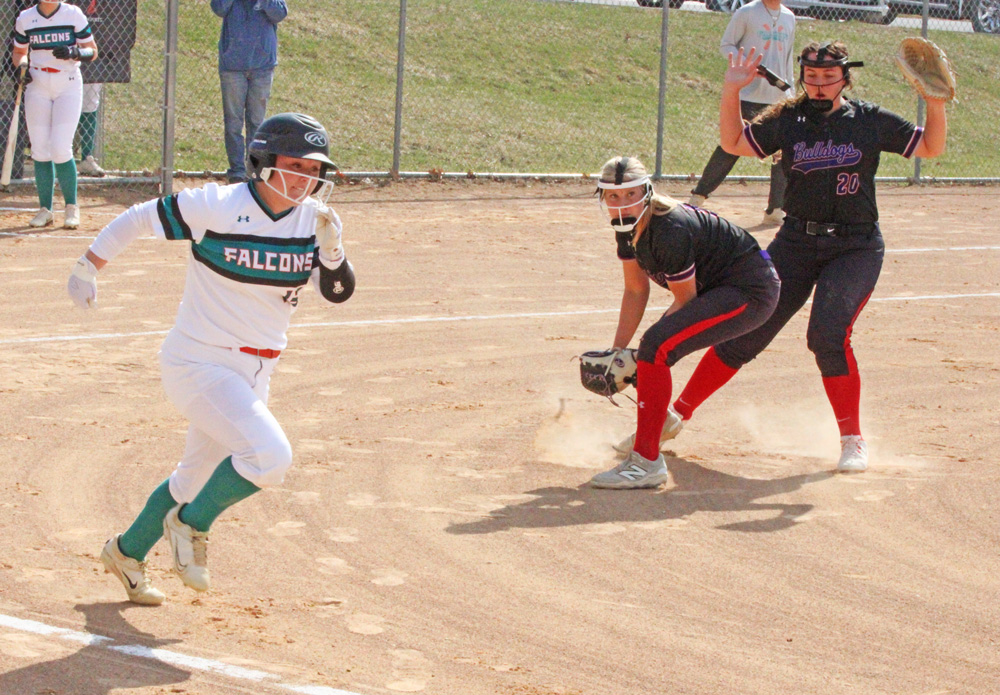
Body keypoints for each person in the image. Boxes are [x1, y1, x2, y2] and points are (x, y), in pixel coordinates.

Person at [67, 113, 355, 604]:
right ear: (262, 163)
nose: (306, 179)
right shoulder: (219, 205)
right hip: (198, 363)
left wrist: (332, 251)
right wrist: (86, 266)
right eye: (294, 165)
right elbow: (139, 216)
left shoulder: (315, 220)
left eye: (314, 169)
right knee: (269, 458)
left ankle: (126, 552)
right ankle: (190, 525)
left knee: (193, 477)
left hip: (254, 372)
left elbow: (338, 293)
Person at [639, 41, 948, 474]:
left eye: (829, 76)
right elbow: (733, 141)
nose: (820, 85)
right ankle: (678, 414)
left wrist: (935, 103)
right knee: (745, 332)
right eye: (812, 76)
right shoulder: (789, 119)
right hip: (795, 243)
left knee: (827, 335)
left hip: (855, 247)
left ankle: (852, 439)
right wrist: (731, 91)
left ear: (846, 76)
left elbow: (930, 147)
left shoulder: (870, 121)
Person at [589, 156, 781, 489]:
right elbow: (636, 290)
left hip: (750, 291)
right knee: (651, 349)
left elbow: (685, 300)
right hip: (722, 289)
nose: (622, 204)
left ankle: (646, 462)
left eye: (630, 194)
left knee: (655, 348)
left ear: (647, 192)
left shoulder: (669, 230)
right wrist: (619, 351)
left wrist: (641, 356)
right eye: (613, 196)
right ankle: (656, 426)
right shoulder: (627, 229)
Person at [687, 0, 795, 226]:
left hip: (777, 98)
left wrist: (790, 92)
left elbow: (788, 60)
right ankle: (697, 197)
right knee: (731, 146)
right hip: (746, 94)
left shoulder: (789, 17)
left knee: (781, 152)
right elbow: (727, 45)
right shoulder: (747, 12)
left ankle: (776, 208)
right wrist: (745, 67)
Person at [12, 0, 99, 229]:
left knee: (61, 148)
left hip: (67, 83)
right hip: (37, 84)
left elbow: (93, 50)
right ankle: (45, 209)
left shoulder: (73, 14)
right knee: (40, 149)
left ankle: (71, 207)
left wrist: (75, 52)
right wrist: (22, 68)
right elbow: (20, 52)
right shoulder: (26, 18)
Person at [211, 0, 287, 184]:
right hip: (233, 67)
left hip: (262, 66)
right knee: (233, 123)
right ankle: (237, 172)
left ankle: (254, 171)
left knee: (257, 122)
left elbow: (280, 14)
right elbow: (219, 8)